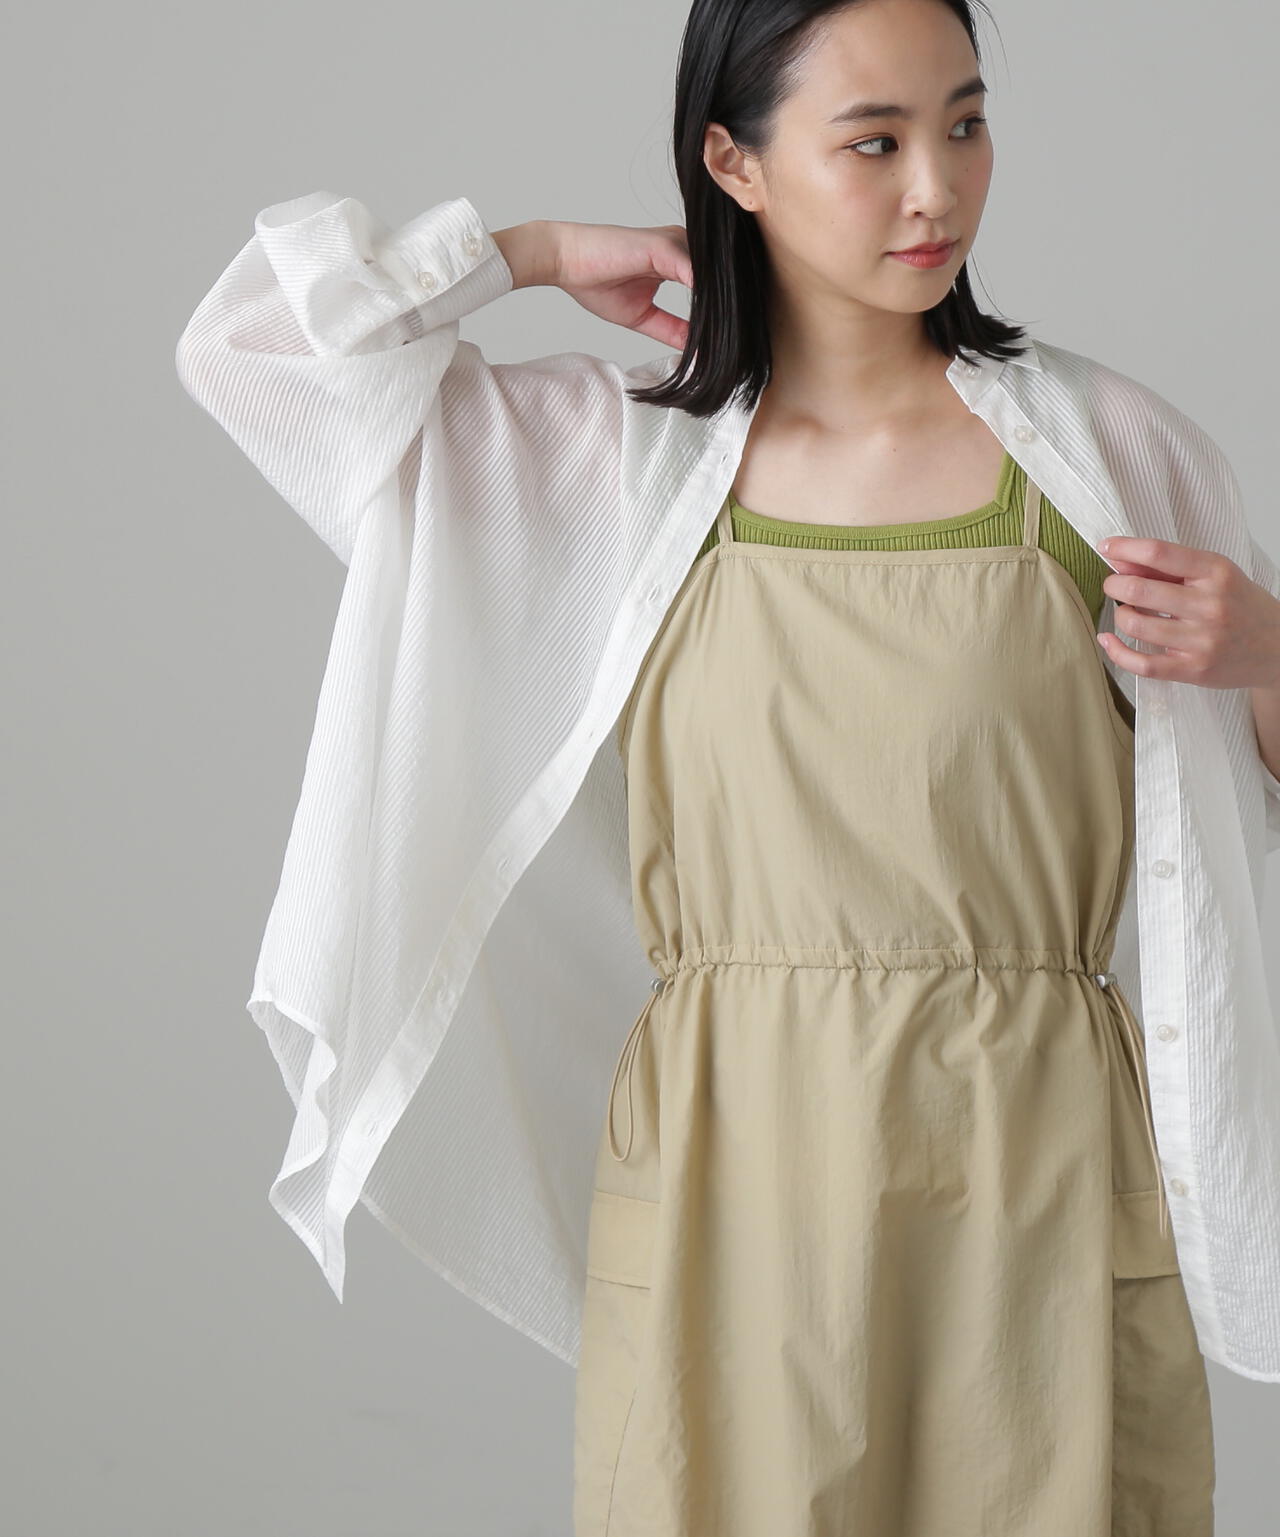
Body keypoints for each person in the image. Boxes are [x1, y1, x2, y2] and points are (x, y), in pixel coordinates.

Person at [176, 1, 1280, 1531]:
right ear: (732, 161)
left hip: (1034, 1164)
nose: (937, 188)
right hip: (733, 1168)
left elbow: (1241, 806)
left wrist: (1272, 652)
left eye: (965, 124)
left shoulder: (1104, 453)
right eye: (873, 142)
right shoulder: (622, 460)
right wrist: (533, 252)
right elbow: (253, 354)